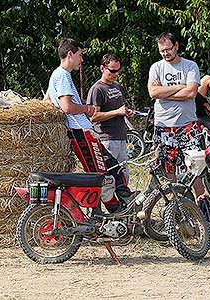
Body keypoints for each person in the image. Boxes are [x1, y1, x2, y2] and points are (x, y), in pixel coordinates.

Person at [46, 38, 133, 213]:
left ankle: (117, 209)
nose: (82, 60)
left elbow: (47, 100)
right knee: (102, 174)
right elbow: (67, 107)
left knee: (109, 169)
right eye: (80, 55)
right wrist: (87, 108)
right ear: (70, 54)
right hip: (81, 132)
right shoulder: (62, 75)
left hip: (83, 131)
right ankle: (116, 211)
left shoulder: (57, 74)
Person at [147, 32, 204, 196]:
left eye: (168, 49)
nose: (166, 53)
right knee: (168, 167)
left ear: (176, 46)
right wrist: (180, 86)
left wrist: (164, 93)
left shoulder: (190, 66)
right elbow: (153, 92)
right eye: (162, 51)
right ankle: (176, 206)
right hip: (164, 126)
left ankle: (201, 207)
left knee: (195, 169)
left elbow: (191, 93)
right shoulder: (156, 67)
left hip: (188, 125)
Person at [86, 53, 133, 184]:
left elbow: (118, 110)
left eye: (118, 71)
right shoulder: (97, 89)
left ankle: (124, 203)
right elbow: (93, 116)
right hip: (107, 138)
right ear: (102, 68)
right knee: (110, 177)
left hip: (121, 137)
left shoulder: (116, 86)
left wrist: (126, 112)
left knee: (124, 176)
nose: (115, 74)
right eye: (112, 71)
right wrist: (117, 112)